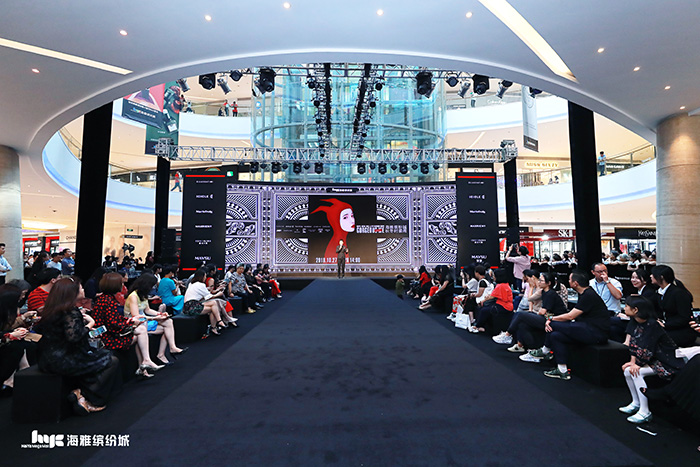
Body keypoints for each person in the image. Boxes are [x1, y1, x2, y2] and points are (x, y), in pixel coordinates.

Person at [35, 277, 121, 415]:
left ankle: (81, 393)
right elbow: (74, 337)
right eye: (80, 288)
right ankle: (88, 398)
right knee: (111, 360)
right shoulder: (70, 311)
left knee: (101, 356)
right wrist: (90, 324)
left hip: (47, 358)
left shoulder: (52, 309)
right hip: (64, 359)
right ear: (72, 292)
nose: (83, 289)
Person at [525, 270, 610, 380]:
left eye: (570, 279)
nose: (568, 281)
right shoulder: (584, 293)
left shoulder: (589, 295)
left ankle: (545, 350)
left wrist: (551, 319)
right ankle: (562, 370)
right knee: (555, 335)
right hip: (586, 328)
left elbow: (570, 316)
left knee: (553, 324)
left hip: (596, 333)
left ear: (575, 283)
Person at [618, 295, 685, 424]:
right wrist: (632, 362)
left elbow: (648, 348)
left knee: (636, 372)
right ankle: (636, 402)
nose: (624, 308)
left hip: (667, 361)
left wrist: (638, 364)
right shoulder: (634, 321)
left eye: (626, 306)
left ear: (636, 309)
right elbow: (633, 344)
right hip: (651, 359)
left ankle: (645, 411)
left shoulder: (652, 325)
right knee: (627, 371)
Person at [92, 272, 163, 378]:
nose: (123, 285)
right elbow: (113, 324)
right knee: (141, 332)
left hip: (108, 333)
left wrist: (130, 320)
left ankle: (144, 364)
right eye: (121, 283)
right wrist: (131, 321)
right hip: (108, 338)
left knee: (141, 331)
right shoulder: (108, 301)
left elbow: (114, 320)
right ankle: (144, 363)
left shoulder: (105, 299)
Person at [126, 273, 188, 364]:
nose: (153, 288)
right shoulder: (133, 296)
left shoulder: (143, 295)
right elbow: (136, 316)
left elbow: (147, 310)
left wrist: (160, 314)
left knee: (168, 322)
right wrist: (155, 318)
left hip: (144, 322)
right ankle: (158, 356)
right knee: (166, 328)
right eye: (152, 286)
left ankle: (170, 348)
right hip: (135, 325)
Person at [511, 272, 568, 356]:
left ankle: (508, 334)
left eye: (541, 280)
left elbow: (543, 311)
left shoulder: (550, 293)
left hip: (554, 319)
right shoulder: (543, 291)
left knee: (520, 314)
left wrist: (535, 313)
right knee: (522, 324)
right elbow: (531, 300)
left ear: (548, 283)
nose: (539, 282)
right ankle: (531, 349)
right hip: (547, 317)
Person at [0, 285, 38, 396]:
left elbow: (7, 327)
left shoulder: (7, 310)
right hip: (4, 342)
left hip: (5, 340)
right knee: (17, 346)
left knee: (25, 344)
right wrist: (10, 335)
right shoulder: (7, 311)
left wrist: (14, 332)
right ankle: (15, 377)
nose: (22, 298)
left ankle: (15, 377)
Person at [651, 264, 695, 347]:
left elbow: (684, 318)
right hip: (668, 327)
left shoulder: (678, 293)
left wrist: (666, 325)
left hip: (681, 331)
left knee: (655, 337)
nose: (651, 276)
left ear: (661, 277)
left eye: (653, 274)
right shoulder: (659, 292)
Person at [183, 270, 231, 336]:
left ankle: (215, 327)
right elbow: (209, 297)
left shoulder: (192, 284)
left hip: (187, 307)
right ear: (202, 277)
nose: (205, 278)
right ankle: (219, 322)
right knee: (213, 304)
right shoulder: (201, 285)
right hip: (192, 306)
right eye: (205, 276)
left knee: (213, 307)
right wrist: (218, 294)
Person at [469, 268, 513, 333]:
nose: (493, 277)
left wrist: (483, 301)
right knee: (487, 309)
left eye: (494, 276)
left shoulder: (500, 286)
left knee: (484, 310)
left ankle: (477, 326)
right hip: (505, 305)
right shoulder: (505, 285)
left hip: (504, 306)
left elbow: (491, 296)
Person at [311, 198, 355, 263]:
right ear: (336, 221)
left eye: (352, 216)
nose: (352, 221)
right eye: (345, 217)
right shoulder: (334, 245)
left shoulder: (346, 241)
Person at [589, 263, 625, 342]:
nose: (603, 273)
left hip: (612, 314)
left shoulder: (614, 282)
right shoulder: (590, 283)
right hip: (596, 314)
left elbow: (618, 296)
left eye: (605, 271)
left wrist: (607, 282)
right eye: (599, 272)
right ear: (593, 272)